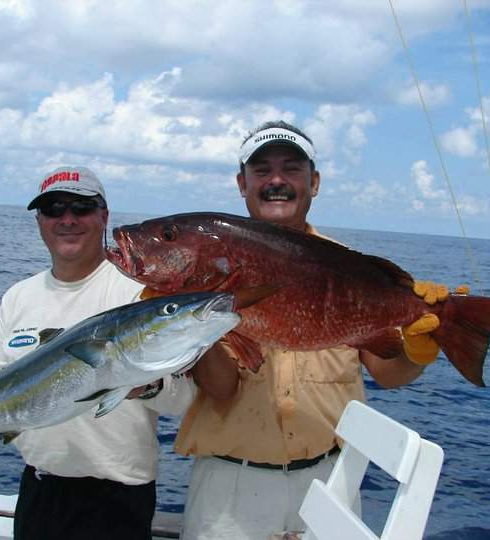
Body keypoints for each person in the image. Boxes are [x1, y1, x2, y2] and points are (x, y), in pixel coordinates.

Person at [175, 121, 447, 540]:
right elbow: (221, 389)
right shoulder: (212, 270)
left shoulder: (350, 266)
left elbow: (390, 374)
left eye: (292, 169)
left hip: (328, 483)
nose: (277, 181)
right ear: (242, 184)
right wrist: (197, 320)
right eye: (262, 170)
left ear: (313, 182)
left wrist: (419, 346)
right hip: (228, 493)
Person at [0, 166, 196, 540]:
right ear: (39, 221)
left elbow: (184, 400)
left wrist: (143, 387)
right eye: (53, 209)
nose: (67, 219)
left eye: (81, 208)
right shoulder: (19, 297)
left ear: (104, 217)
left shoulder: (141, 295)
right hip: (39, 493)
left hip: (120, 500)